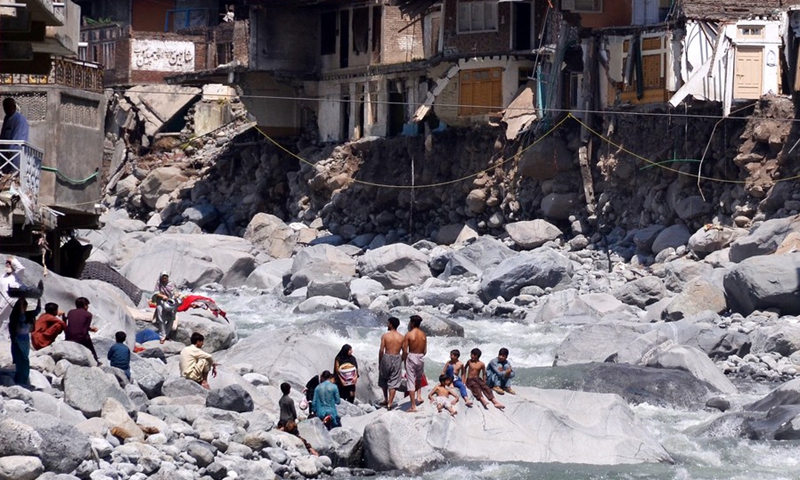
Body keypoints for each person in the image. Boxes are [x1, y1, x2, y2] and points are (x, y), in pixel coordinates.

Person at [278, 382, 320, 456]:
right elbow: (293, 411)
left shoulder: (281, 400)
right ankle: (311, 450)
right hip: (289, 422)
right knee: (298, 436)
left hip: (281, 421)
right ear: (289, 390)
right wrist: (295, 418)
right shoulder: (290, 400)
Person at [9, 297, 39, 386]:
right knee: (21, 360)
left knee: (25, 360)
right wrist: (21, 303)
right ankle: (19, 380)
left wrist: (39, 299)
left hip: (25, 340)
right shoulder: (16, 317)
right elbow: (21, 317)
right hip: (18, 340)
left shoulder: (28, 315)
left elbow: (37, 310)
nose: (25, 308)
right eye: (23, 306)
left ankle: (22, 380)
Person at [402, 314, 427, 412]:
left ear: (412, 323)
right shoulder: (423, 334)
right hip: (421, 356)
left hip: (412, 356)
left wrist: (404, 360)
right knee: (419, 378)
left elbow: (405, 350)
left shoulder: (408, 334)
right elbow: (425, 351)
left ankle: (413, 406)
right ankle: (419, 396)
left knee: (411, 380)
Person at [65, 297, 100, 365]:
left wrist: (90, 329)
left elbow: (75, 324)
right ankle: (95, 360)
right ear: (84, 305)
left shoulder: (70, 312)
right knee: (89, 344)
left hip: (68, 336)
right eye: (87, 305)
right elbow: (85, 329)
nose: (88, 307)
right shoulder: (88, 315)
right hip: (80, 337)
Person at [378, 316, 404, 410]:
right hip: (397, 356)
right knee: (394, 380)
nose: (387, 325)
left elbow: (381, 350)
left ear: (391, 324)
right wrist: (401, 360)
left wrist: (380, 361)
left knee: (384, 378)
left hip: (386, 356)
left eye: (388, 323)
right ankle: (390, 403)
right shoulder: (402, 337)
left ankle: (385, 399)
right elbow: (405, 351)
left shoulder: (385, 336)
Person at [1, 98, 29, 173]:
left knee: (15, 173)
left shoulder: (19, 119)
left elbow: (18, 138)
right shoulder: (7, 118)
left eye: (8, 107)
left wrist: (10, 149)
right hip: (5, 154)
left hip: (15, 152)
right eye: (5, 107)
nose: (6, 109)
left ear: (14, 106)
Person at [153, 271, 179, 344]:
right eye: (163, 278)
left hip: (170, 302)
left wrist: (176, 295)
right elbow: (156, 292)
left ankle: (166, 334)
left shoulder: (171, 283)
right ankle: (162, 336)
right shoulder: (159, 283)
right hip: (161, 302)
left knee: (171, 319)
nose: (164, 280)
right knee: (161, 319)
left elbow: (176, 291)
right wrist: (162, 296)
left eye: (165, 278)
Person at [0, 256, 26, 329]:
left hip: (12, 303)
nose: (7, 264)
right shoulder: (3, 276)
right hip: (2, 302)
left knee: (9, 322)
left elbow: (21, 268)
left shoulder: (17, 275)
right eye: (7, 263)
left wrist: (12, 259)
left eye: (9, 263)